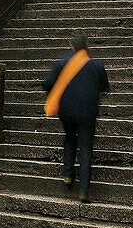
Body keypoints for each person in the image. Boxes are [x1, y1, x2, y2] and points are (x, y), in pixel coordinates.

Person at [41, 34, 109, 203]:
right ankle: (84, 190)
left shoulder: (62, 62)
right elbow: (104, 87)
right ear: (87, 45)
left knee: (70, 139)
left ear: (71, 45)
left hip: (67, 111)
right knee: (86, 148)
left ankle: (67, 174)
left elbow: (47, 82)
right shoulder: (95, 64)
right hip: (88, 112)